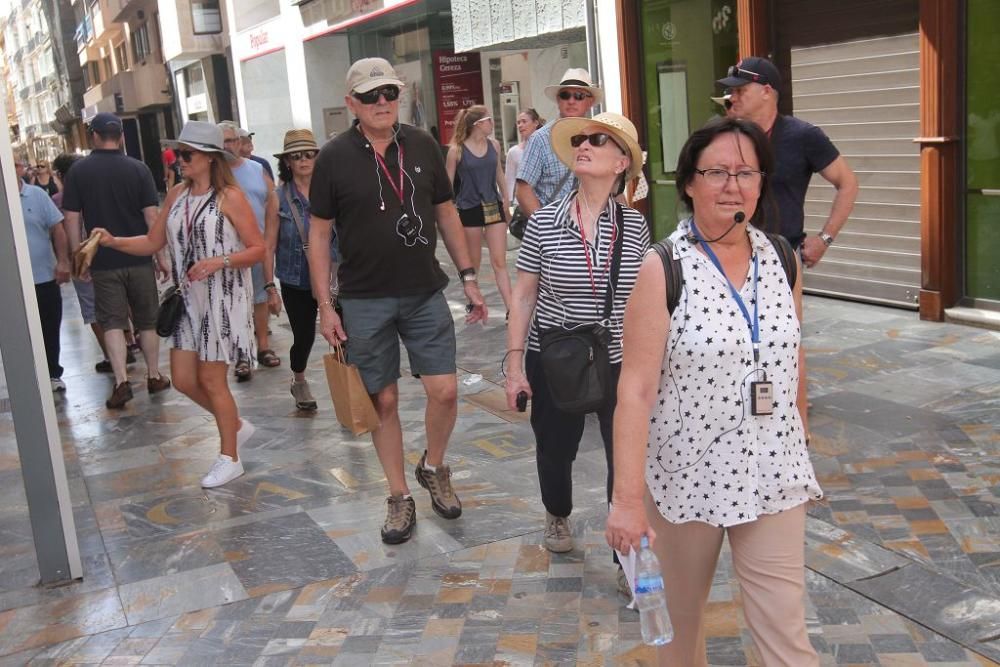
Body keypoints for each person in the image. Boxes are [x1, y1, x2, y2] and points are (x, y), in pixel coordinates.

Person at [605, 117, 822, 666]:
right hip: (685, 478)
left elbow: (791, 357)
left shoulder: (781, 258)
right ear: (688, 184)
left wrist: (801, 443)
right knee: (677, 639)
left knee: (786, 636)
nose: (733, 185)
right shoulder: (664, 267)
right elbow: (634, 390)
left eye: (746, 172)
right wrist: (627, 501)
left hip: (773, 471)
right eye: (718, 172)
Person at [307, 57, 487, 545]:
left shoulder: (424, 144)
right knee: (382, 399)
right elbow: (319, 236)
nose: (382, 102)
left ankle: (433, 465)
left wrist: (469, 275)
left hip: (424, 290)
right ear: (351, 104)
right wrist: (326, 306)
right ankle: (399, 494)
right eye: (370, 96)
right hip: (364, 299)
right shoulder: (333, 158)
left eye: (388, 93)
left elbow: (446, 214)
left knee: (445, 391)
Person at [504, 113, 649, 575]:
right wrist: (514, 364)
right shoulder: (544, 222)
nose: (584, 145)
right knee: (555, 447)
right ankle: (557, 512)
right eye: (581, 139)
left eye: (598, 141)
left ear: (621, 162)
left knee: (623, 454)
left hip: (616, 354)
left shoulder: (634, 226)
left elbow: (642, 302)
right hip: (556, 350)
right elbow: (524, 295)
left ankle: (624, 559)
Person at [90, 121, 265, 488]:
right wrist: (112, 241)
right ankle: (233, 425)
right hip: (187, 299)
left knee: (212, 381)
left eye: (186, 155)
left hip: (221, 297)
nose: (178, 161)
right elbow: (153, 242)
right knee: (184, 380)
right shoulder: (176, 196)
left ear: (210, 159)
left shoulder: (230, 197)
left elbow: (258, 248)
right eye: (177, 154)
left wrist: (219, 261)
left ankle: (230, 457)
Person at [62, 112, 171, 409]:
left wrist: (78, 257)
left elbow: (71, 217)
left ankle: (121, 380)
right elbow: (152, 217)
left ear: (94, 136)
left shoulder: (78, 172)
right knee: (147, 320)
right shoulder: (139, 169)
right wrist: (160, 255)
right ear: (121, 136)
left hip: (103, 261)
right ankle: (153, 374)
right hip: (139, 256)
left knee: (111, 321)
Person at [717, 56, 858, 268]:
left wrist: (824, 239)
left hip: (781, 259)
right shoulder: (726, 137)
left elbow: (848, 184)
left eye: (740, 91)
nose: (732, 97)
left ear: (766, 91)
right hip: (728, 254)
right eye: (731, 91)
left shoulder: (803, 136)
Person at [272, 128, 337, 411]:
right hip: (295, 278)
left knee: (342, 334)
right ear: (287, 162)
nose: (303, 160)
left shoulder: (332, 191)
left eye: (309, 154)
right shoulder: (277, 198)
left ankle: (348, 390)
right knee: (304, 336)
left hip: (334, 275)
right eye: (296, 156)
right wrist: (266, 286)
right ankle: (299, 379)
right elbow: (267, 244)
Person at [219, 121, 280, 380]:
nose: (228, 146)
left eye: (232, 140)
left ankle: (263, 346)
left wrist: (270, 238)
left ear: (240, 142)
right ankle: (242, 355)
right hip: (227, 251)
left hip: (257, 245)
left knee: (260, 298)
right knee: (235, 302)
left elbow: (271, 201)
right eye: (223, 142)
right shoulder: (213, 173)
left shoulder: (257, 168)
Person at [446, 104, 512, 316]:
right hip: (470, 208)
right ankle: (474, 301)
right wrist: (450, 210)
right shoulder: (457, 150)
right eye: (489, 120)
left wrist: (507, 199)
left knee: (499, 261)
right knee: (473, 261)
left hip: (493, 205)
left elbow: (499, 173)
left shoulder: (494, 145)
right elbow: (448, 184)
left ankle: (512, 310)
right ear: (477, 124)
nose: (492, 124)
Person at [52, 153, 115, 372]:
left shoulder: (60, 199)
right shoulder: (100, 190)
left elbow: (59, 230)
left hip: (81, 260)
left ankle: (110, 356)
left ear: (61, 175)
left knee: (92, 310)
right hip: (109, 254)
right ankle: (126, 344)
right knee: (113, 302)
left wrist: (69, 259)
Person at [14, 158, 71, 392]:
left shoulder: (36, 195)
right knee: (18, 331)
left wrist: (63, 261)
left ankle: (52, 373)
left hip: (42, 276)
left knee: (49, 324)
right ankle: (25, 376)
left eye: (15, 164)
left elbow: (57, 228)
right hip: (11, 284)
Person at [516, 68, 601, 216]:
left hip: (595, 228)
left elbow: (613, 186)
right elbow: (523, 190)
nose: (571, 101)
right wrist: (545, 229)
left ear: (590, 101)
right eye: (565, 95)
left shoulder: (601, 137)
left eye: (579, 95)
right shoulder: (540, 139)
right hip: (556, 231)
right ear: (558, 99)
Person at [505, 108, 543, 210]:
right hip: (522, 206)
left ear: (535, 123)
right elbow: (509, 182)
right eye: (518, 122)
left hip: (545, 203)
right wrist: (507, 207)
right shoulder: (513, 152)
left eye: (524, 121)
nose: (520, 125)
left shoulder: (547, 149)